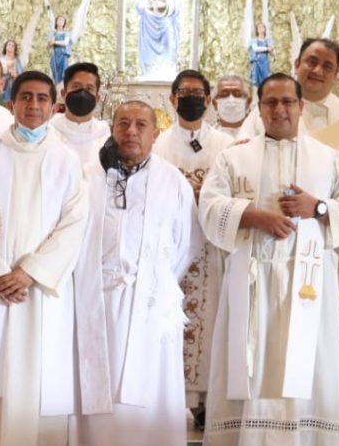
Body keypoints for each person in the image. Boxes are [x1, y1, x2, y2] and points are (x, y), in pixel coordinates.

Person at [199, 73, 339, 445]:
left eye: (287, 102)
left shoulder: (330, 159)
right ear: (258, 108)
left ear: (301, 106)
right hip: (251, 286)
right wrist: (252, 215)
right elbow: (209, 207)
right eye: (270, 102)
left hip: (308, 285)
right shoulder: (234, 157)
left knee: (309, 371)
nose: (280, 109)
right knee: (253, 368)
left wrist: (319, 206)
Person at [0, 71, 92, 446]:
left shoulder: (66, 160)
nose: (33, 106)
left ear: (54, 106)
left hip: (39, 291)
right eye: (25, 97)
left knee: (38, 378)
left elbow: (75, 224)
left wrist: (29, 272)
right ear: (11, 103)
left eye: (42, 98)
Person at [77, 101, 201, 446]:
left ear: (155, 133)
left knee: (151, 393)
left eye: (141, 125)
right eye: (123, 123)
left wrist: (151, 281)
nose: (131, 131)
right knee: (98, 393)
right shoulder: (89, 175)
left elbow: (186, 242)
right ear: (111, 129)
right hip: (97, 301)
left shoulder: (172, 180)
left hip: (150, 303)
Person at [151, 70, 234, 426]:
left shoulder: (227, 146)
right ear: (171, 100)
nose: (190, 98)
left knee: (212, 316)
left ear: (209, 100)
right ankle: (167, 398)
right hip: (170, 246)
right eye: (183, 92)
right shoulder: (156, 143)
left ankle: (205, 403)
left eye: (197, 93)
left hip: (212, 247)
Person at [237, 38, 339, 159]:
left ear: (336, 75)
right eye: (312, 62)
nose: (318, 71)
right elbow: (240, 155)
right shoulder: (266, 111)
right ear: (297, 65)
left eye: (327, 66)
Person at [51, 62, 111, 165]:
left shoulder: (104, 134)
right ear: (63, 94)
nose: (82, 93)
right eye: (76, 87)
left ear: (97, 98)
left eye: (89, 88)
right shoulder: (50, 129)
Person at [247, 23, 273, 88]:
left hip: (264, 63)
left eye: (262, 27)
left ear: (265, 29)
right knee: (256, 81)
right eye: (259, 27)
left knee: (265, 81)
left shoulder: (268, 41)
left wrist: (272, 50)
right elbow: (256, 49)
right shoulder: (253, 40)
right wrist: (267, 48)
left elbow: (272, 52)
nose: (261, 29)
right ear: (257, 30)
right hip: (257, 63)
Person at [0, 40, 23, 104]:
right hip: (2, 86)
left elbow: (21, 76)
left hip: (13, 86)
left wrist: (15, 75)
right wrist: (8, 68)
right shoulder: (0, 59)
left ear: (15, 49)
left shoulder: (17, 61)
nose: (10, 47)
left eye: (13, 46)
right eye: (9, 45)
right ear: (5, 47)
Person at [48, 17, 71, 84]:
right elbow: (49, 45)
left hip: (63, 55)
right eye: (59, 19)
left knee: (63, 74)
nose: (61, 21)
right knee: (54, 73)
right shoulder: (52, 33)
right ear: (56, 21)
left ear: (64, 23)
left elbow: (65, 43)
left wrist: (55, 42)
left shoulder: (67, 33)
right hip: (54, 55)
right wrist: (50, 42)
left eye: (62, 20)